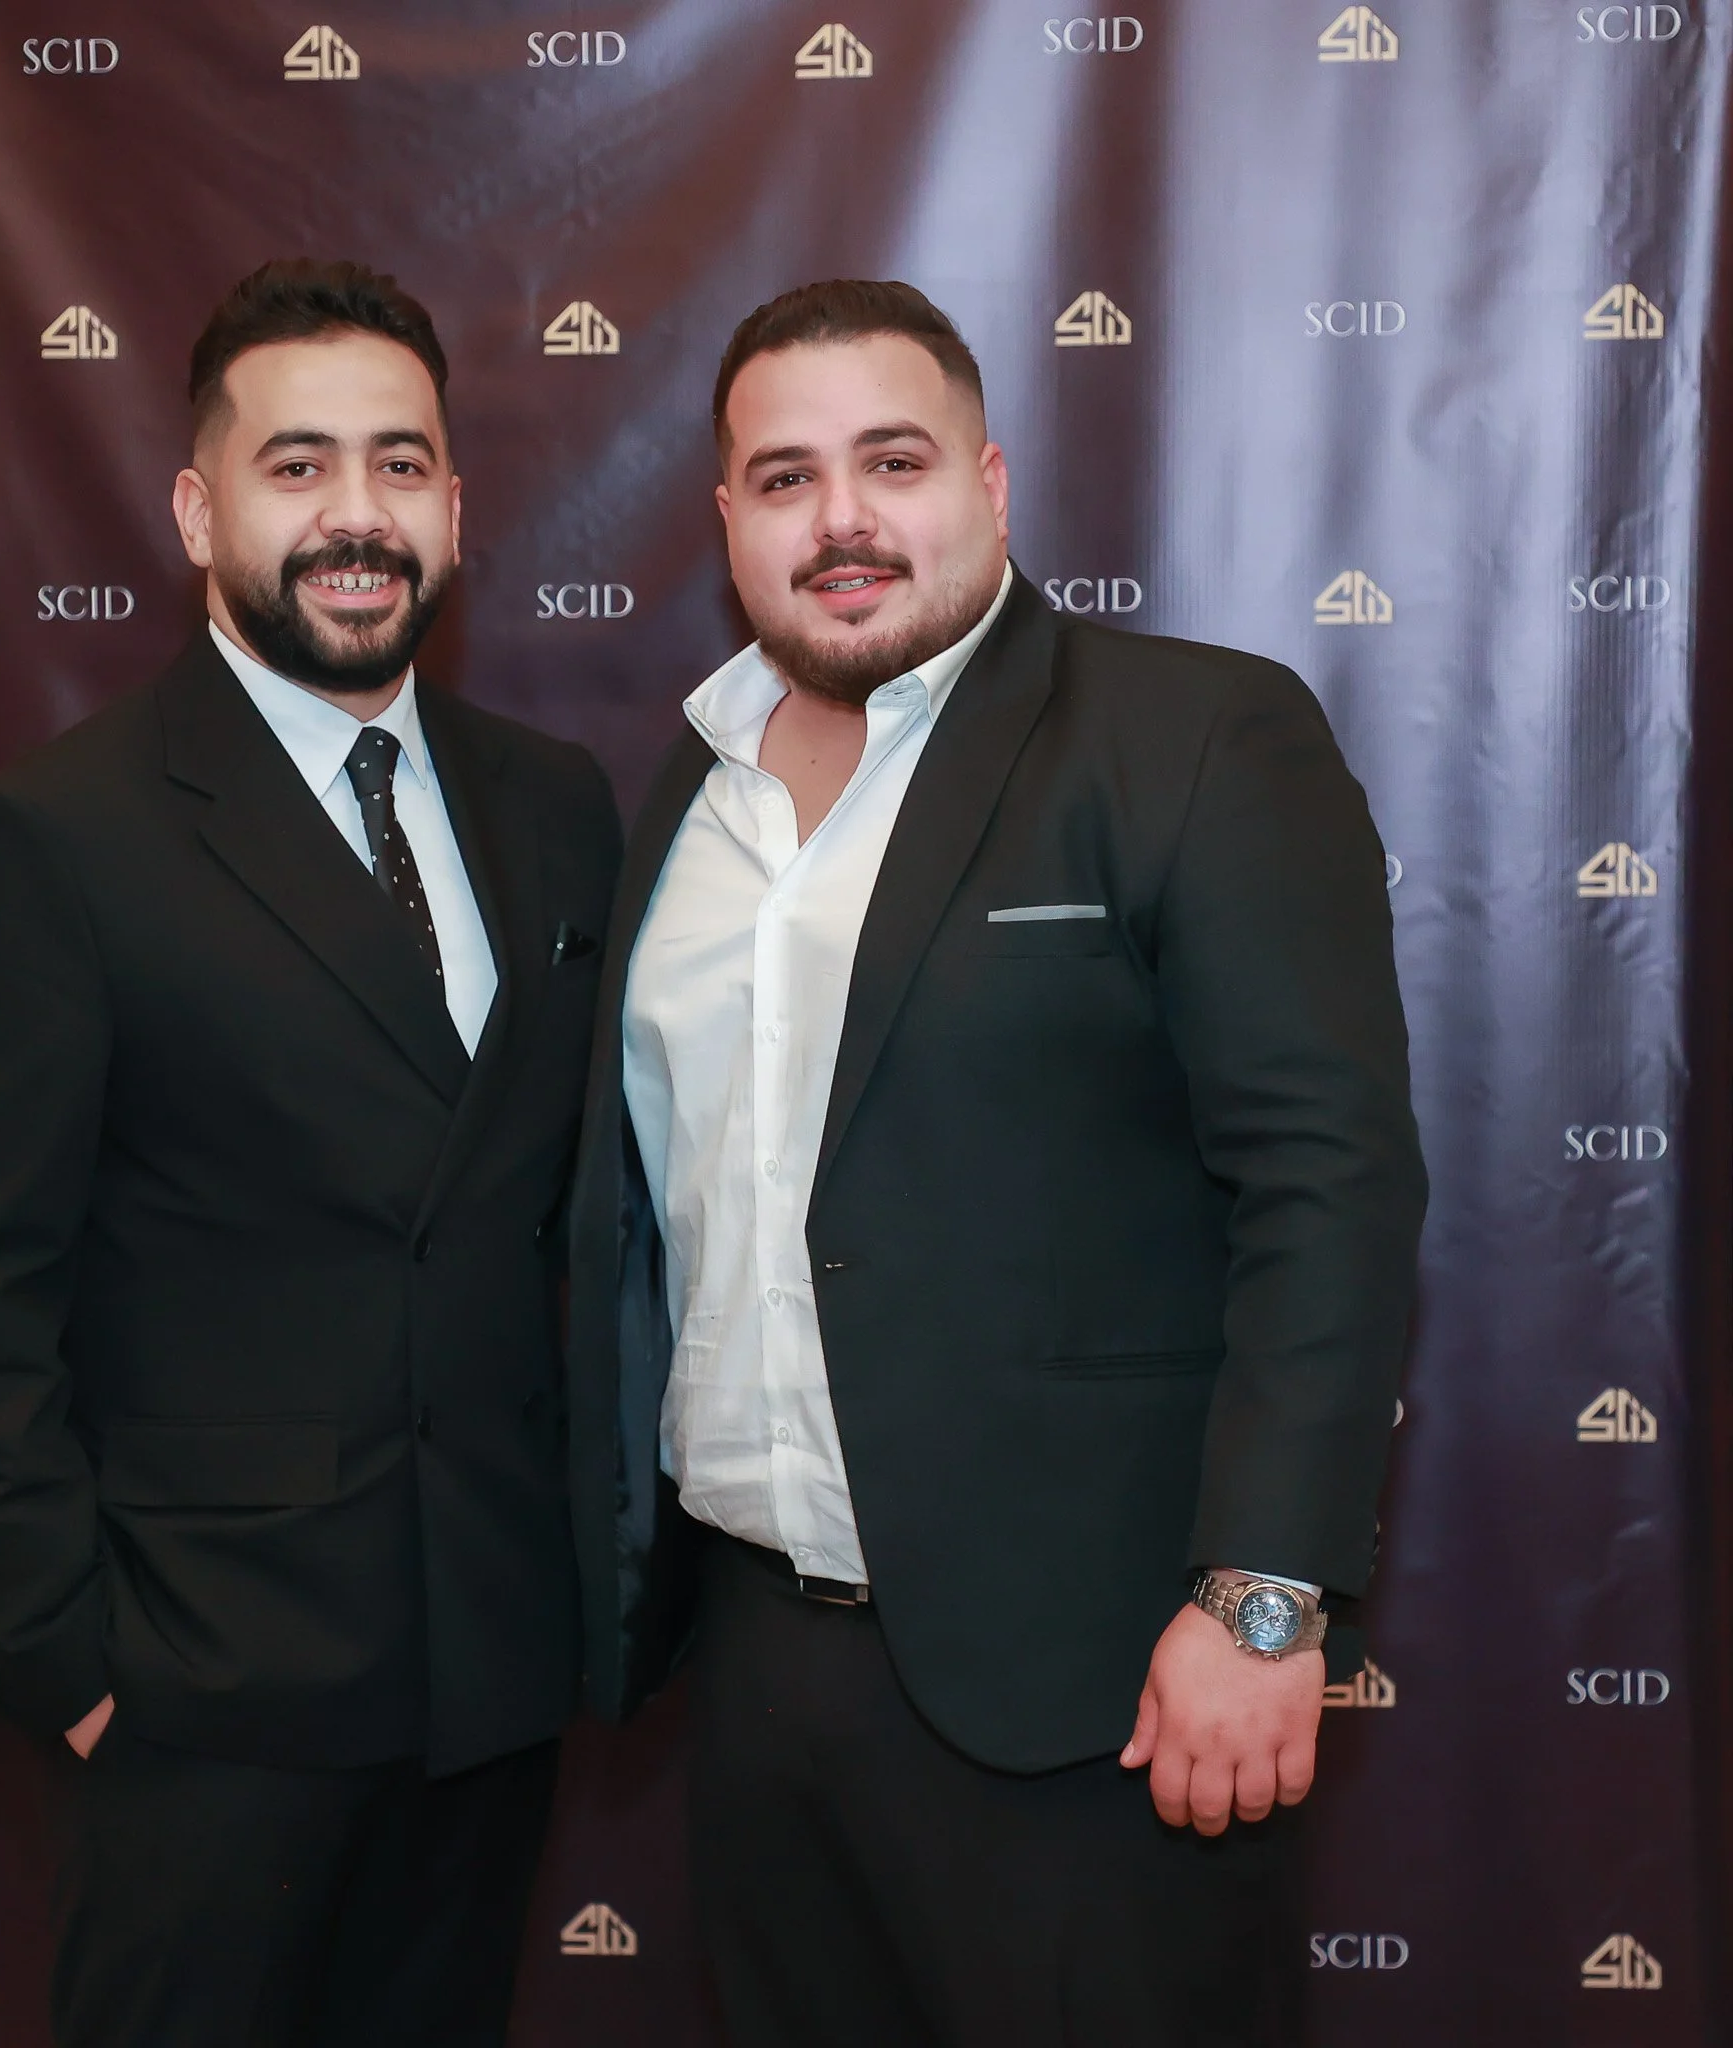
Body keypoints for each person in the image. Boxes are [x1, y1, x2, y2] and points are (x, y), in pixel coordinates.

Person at [565, 279, 1427, 2045]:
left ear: (994, 481)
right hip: (751, 1669)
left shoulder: (1192, 736)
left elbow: (1328, 1190)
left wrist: (1264, 1602)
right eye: (786, 478)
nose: (846, 520)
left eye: (893, 460)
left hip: (1100, 1681)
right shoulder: (692, 794)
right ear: (726, 518)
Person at [0, 259, 621, 2047]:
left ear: (457, 503)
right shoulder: (56, 842)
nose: (355, 516)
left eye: (401, 464)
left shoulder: (558, 806)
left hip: (490, 1687)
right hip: (199, 1707)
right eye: (299, 468)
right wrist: (71, 1667)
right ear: (199, 508)